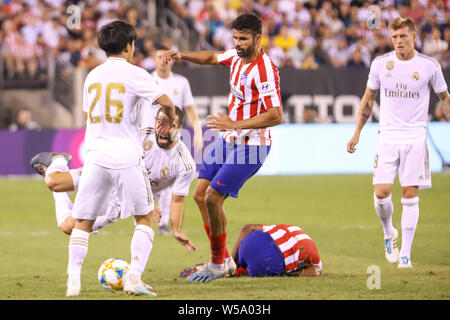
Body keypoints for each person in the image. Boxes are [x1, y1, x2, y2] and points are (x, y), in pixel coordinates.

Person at [163, 13, 283, 283]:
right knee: (199, 195)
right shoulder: (235, 58)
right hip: (228, 140)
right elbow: (211, 57)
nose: (238, 43)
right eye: (235, 38)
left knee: (213, 198)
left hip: (253, 145)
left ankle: (218, 263)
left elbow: (276, 115)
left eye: (243, 39)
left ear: (258, 38)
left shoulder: (264, 70)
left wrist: (235, 123)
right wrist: (181, 55)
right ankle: (223, 259)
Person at [61, 20, 175, 297]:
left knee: (83, 222)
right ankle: (134, 278)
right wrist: (168, 123)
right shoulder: (135, 74)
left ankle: (73, 283)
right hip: (126, 155)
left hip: (96, 155)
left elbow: (88, 118)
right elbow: (167, 103)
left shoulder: (92, 76)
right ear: (128, 46)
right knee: (145, 218)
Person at [347, 17, 450, 269]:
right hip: (387, 137)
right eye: (394, 37)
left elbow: (444, 98)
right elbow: (368, 98)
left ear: (413, 37)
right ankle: (388, 231)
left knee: (409, 194)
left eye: (403, 36)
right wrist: (357, 132)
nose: (399, 42)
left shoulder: (429, 66)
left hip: (415, 137)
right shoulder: (381, 64)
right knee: (381, 194)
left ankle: (405, 254)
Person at [30, 107, 196, 253]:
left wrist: (176, 229)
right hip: (105, 172)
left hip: (116, 202)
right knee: (53, 181)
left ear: (180, 128)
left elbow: (177, 201)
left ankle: (134, 276)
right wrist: (147, 202)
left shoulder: (184, 165)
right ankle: (59, 160)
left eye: (171, 125)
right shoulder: (142, 135)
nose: (164, 128)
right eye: (161, 122)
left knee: (68, 227)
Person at [142, 47, 203, 235]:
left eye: (167, 57)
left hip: (172, 135)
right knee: (142, 173)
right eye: (159, 56)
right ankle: (142, 211)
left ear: (173, 60)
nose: (163, 60)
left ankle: (164, 223)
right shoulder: (146, 80)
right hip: (149, 136)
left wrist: (198, 130)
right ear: (154, 59)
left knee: (171, 176)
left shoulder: (181, 82)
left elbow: (190, 109)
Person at [181, 223, 322, 278]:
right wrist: (295, 275)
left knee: (237, 265)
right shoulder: (311, 250)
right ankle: (238, 271)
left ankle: (226, 266)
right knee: (256, 268)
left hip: (252, 242)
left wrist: (230, 260)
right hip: (271, 262)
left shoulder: (286, 227)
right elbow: (316, 270)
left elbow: (247, 229)